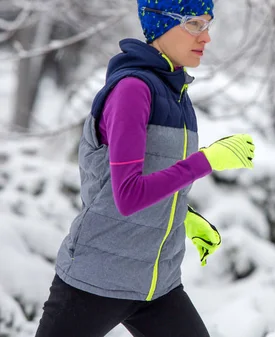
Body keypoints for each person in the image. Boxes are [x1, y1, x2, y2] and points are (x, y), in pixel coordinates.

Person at [34, 1, 255, 336]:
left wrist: (185, 215)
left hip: (156, 286)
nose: (206, 37)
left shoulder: (178, 95)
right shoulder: (132, 90)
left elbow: (153, 174)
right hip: (95, 280)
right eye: (194, 24)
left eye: (208, 24)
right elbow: (127, 195)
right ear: (160, 24)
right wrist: (207, 160)